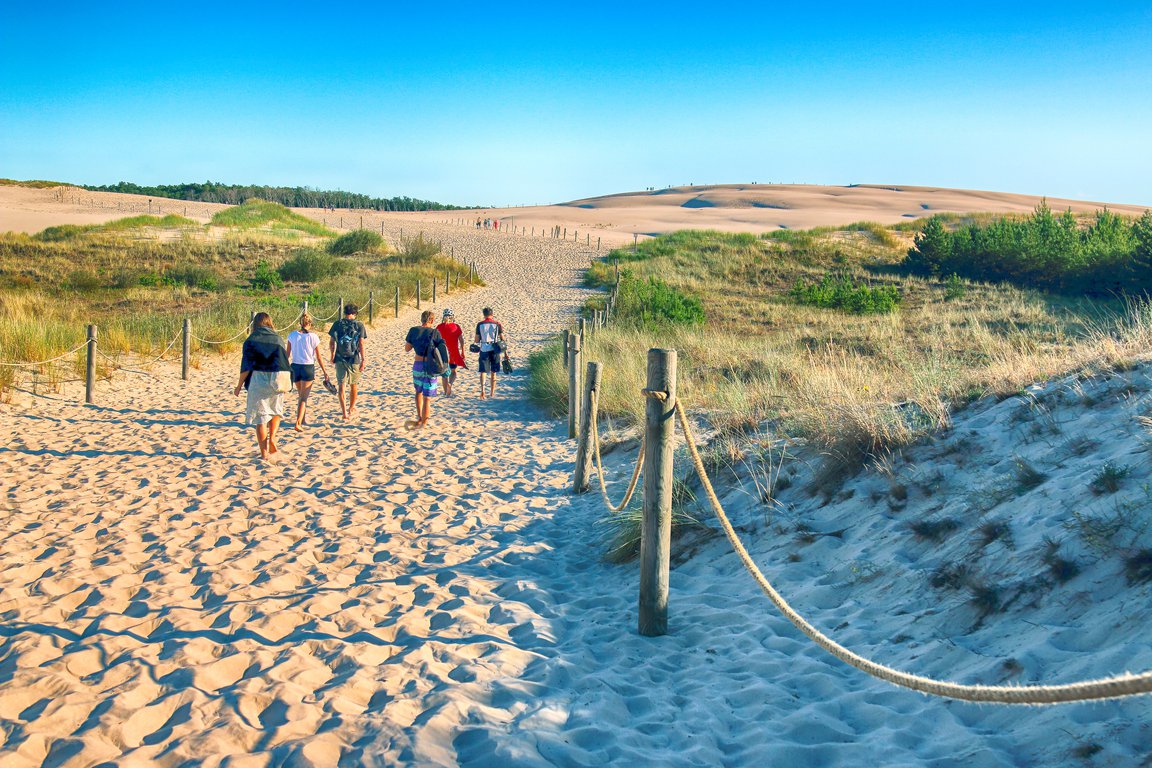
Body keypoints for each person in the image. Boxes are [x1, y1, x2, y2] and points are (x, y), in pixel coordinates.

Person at [233, 312, 290, 461]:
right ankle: (273, 439)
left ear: (255, 324)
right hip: (275, 378)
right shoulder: (277, 339)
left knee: (261, 418)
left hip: (258, 379)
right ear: (269, 322)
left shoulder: (251, 340)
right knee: (276, 412)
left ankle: (264, 454)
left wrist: (239, 386)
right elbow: (284, 361)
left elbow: (246, 366)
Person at [404, 310, 449, 429]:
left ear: (421, 319)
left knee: (418, 391)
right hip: (431, 366)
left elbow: (407, 348)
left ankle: (419, 417)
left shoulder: (413, 330)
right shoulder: (435, 332)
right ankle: (424, 423)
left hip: (417, 364)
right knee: (427, 397)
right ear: (432, 320)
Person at [286, 314, 330, 431]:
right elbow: (319, 356)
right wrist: (324, 371)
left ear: (300, 323)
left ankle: (303, 419)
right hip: (307, 367)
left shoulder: (292, 335)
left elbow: (287, 354)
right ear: (310, 324)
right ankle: (298, 422)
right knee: (303, 398)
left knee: (301, 395)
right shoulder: (313, 337)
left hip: (295, 366)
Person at [328, 304, 368, 420]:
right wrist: (363, 359)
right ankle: (351, 408)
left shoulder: (337, 324)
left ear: (344, 312)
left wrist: (332, 355)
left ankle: (344, 412)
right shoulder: (359, 325)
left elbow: (331, 342)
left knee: (341, 385)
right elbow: (361, 343)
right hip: (354, 358)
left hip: (340, 358)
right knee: (353, 384)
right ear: (355, 313)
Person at [474, 307, 505, 399]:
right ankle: (492, 392)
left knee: (483, 371)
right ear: (492, 314)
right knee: (493, 371)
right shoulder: (497, 324)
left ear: (484, 314)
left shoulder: (480, 324)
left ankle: (483, 391)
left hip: (484, 348)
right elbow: (502, 338)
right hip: (495, 348)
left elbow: (476, 340)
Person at [435, 308, 467, 396]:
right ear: (452, 317)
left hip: (442, 353)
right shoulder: (456, 326)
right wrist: (463, 351)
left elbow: (435, 339)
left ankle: (445, 392)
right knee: (453, 371)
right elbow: (461, 340)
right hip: (453, 353)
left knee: (444, 373)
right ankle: (450, 383)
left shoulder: (439, 327)